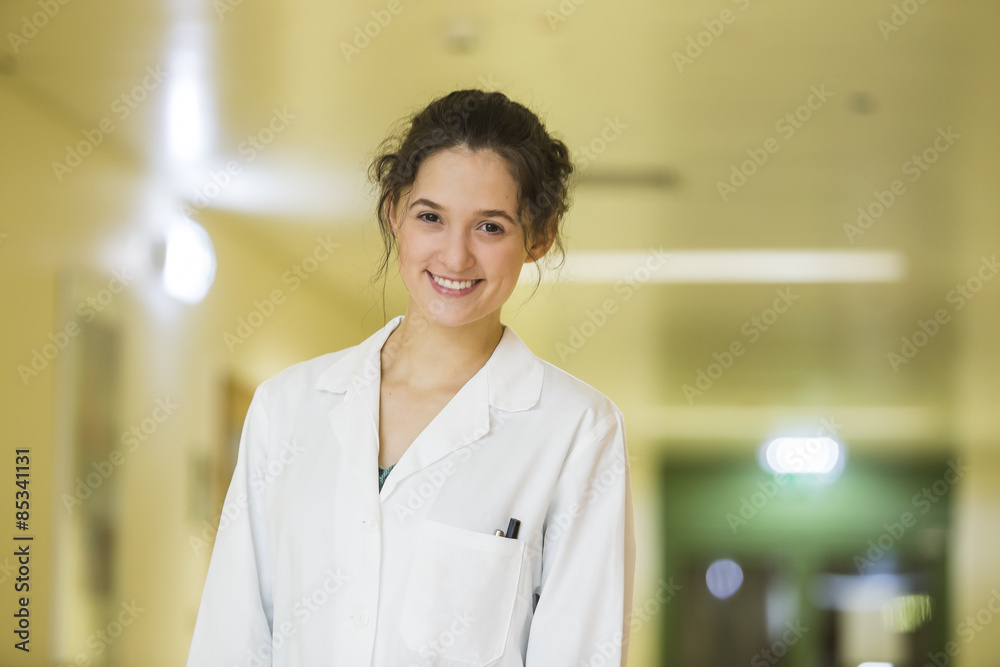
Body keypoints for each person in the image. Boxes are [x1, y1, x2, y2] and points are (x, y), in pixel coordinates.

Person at [186, 89, 636, 666]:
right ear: (393, 213)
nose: (455, 256)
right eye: (431, 217)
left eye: (490, 227)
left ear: (539, 236)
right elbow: (231, 639)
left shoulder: (576, 430)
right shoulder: (287, 408)